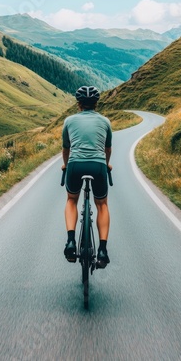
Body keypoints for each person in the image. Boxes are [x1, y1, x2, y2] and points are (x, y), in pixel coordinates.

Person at [61, 85, 112, 268]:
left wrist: (66, 166)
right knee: (102, 204)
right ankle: (103, 250)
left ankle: (70, 242)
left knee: (71, 200)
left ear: (79, 104)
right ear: (96, 104)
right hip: (98, 166)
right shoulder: (105, 121)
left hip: (75, 165)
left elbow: (66, 148)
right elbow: (107, 149)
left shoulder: (69, 120)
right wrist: (106, 165)